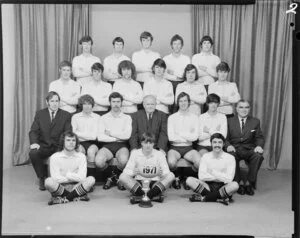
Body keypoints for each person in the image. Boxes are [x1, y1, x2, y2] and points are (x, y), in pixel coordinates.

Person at [29, 91, 72, 191]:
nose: (55, 103)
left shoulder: (66, 115)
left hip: (58, 146)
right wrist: (34, 143)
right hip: (43, 145)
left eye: (57, 101)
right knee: (33, 153)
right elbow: (33, 131)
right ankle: (41, 177)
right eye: (52, 101)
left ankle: (59, 180)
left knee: (61, 157)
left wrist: (63, 147)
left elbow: (68, 132)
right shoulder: (40, 114)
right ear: (47, 102)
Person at [119, 132, 175, 204]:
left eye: (150, 143)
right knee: (122, 176)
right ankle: (152, 197)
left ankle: (144, 196)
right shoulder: (135, 153)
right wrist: (133, 172)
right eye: (145, 143)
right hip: (139, 183)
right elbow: (126, 172)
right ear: (141, 143)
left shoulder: (159, 154)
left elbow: (166, 172)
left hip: (155, 183)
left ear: (153, 144)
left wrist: (160, 173)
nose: (148, 145)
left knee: (171, 175)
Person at [225, 99, 264, 196]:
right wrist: (228, 145)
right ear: (236, 109)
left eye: (246, 107)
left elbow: (259, 137)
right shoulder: (229, 121)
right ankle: (238, 183)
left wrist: (259, 146)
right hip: (235, 149)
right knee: (230, 157)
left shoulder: (255, 121)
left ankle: (249, 183)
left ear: (249, 109)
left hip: (249, 149)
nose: (244, 110)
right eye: (241, 107)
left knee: (258, 156)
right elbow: (225, 138)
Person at [186, 133, 239, 205]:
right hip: (207, 186)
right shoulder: (205, 156)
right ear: (211, 144)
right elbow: (201, 176)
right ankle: (219, 198)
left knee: (235, 185)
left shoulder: (230, 158)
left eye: (220, 142)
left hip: (223, 186)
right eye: (215, 142)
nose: (217, 145)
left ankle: (204, 198)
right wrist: (221, 176)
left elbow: (229, 179)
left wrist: (211, 172)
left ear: (223, 144)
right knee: (189, 180)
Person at [45, 131, 95, 205]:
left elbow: (82, 178)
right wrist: (73, 176)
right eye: (68, 140)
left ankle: (65, 198)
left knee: (91, 179)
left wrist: (67, 174)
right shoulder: (54, 157)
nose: (71, 142)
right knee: (48, 181)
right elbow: (55, 178)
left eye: (73, 140)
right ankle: (76, 196)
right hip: (61, 186)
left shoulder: (81, 156)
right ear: (63, 142)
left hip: (76, 185)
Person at [95, 92, 132, 190]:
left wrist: (110, 133)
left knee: (124, 160)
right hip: (107, 146)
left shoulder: (127, 118)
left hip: (122, 145)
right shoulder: (103, 118)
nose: (116, 104)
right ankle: (114, 176)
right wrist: (118, 137)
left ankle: (113, 178)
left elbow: (127, 136)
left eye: (118, 102)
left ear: (121, 103)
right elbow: (100, 137)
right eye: (113, 101)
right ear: (110, 103)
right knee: (98, 162)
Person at [167, 92, 200, 190]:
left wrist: (179, 134)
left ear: (189, 102)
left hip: (189, 147)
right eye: (181, 101)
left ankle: (188, 177)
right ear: (178, 103)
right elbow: (171, 137)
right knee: (171, 162)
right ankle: (176, 177)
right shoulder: (172, 117)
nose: (183, 103)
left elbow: (195, 137)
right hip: (175, 147)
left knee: (199, 162)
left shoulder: (194, 117)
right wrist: (187, 135)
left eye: (185, 100)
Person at [71, 94, 101, 177]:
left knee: (91, 152)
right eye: (85, 104)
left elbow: (94, 136)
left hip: (93, 143)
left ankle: (90, 178)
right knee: (80, 152)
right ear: (81, 105)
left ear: (92, 105)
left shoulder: (97, 117)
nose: (87, 106)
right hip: (79, 142)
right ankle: (80, 177)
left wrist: (79, 134)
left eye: (89, 104)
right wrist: (87, 135)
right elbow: (73, 133)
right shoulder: (75, 117)